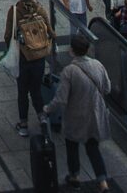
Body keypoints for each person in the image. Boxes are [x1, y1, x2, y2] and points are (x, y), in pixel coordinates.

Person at [45, 30, 111, 192]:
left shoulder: (69, 71)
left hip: (76, 116)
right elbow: (107, 88)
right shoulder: (98, 65)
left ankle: (74, 177)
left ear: (72, 50)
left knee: (72, 145)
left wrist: (47, 109)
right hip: (95, 115)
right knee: (92, 147)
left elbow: (61, 99)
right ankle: (103, 182)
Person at [3, 0, 54, 138]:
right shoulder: (39, 8)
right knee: (36, 89)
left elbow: (8, 35)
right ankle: (42, 117)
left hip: (23, 57)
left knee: (22, 91)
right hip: (39, 56)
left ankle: (23, 124)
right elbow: (51, 31)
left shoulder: (15, 11)